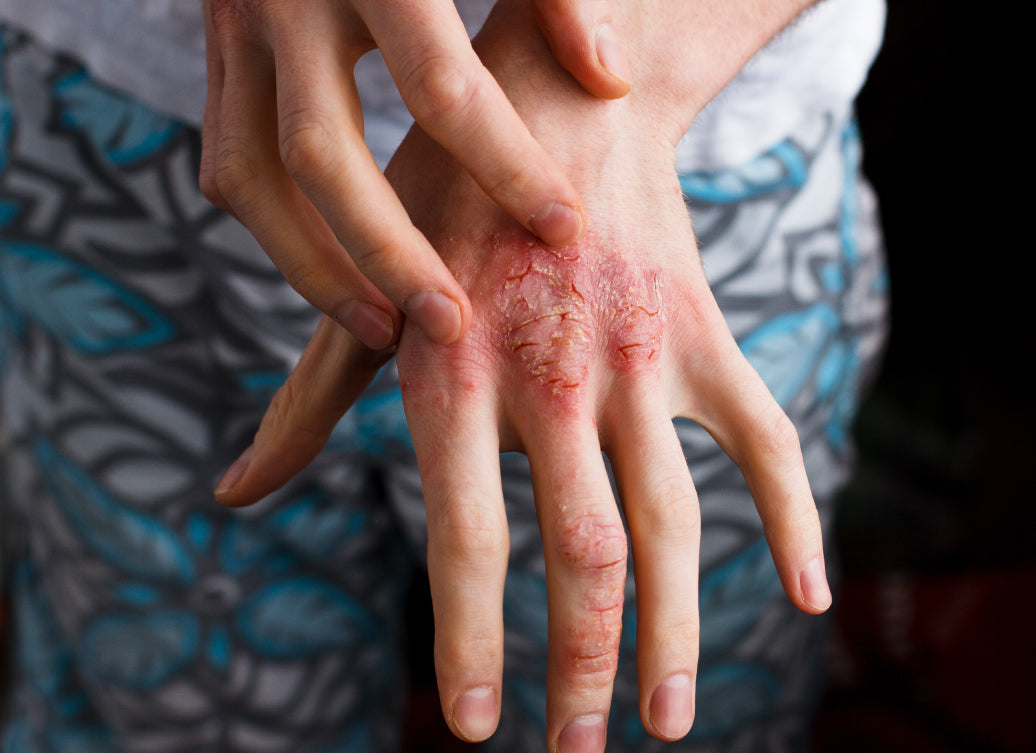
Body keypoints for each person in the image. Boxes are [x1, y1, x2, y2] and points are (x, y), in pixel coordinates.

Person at [0, 1, 888, 752]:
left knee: (664, 698)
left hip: (687, 183)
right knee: (179, 707)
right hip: (150, 130)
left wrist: (588, 78)